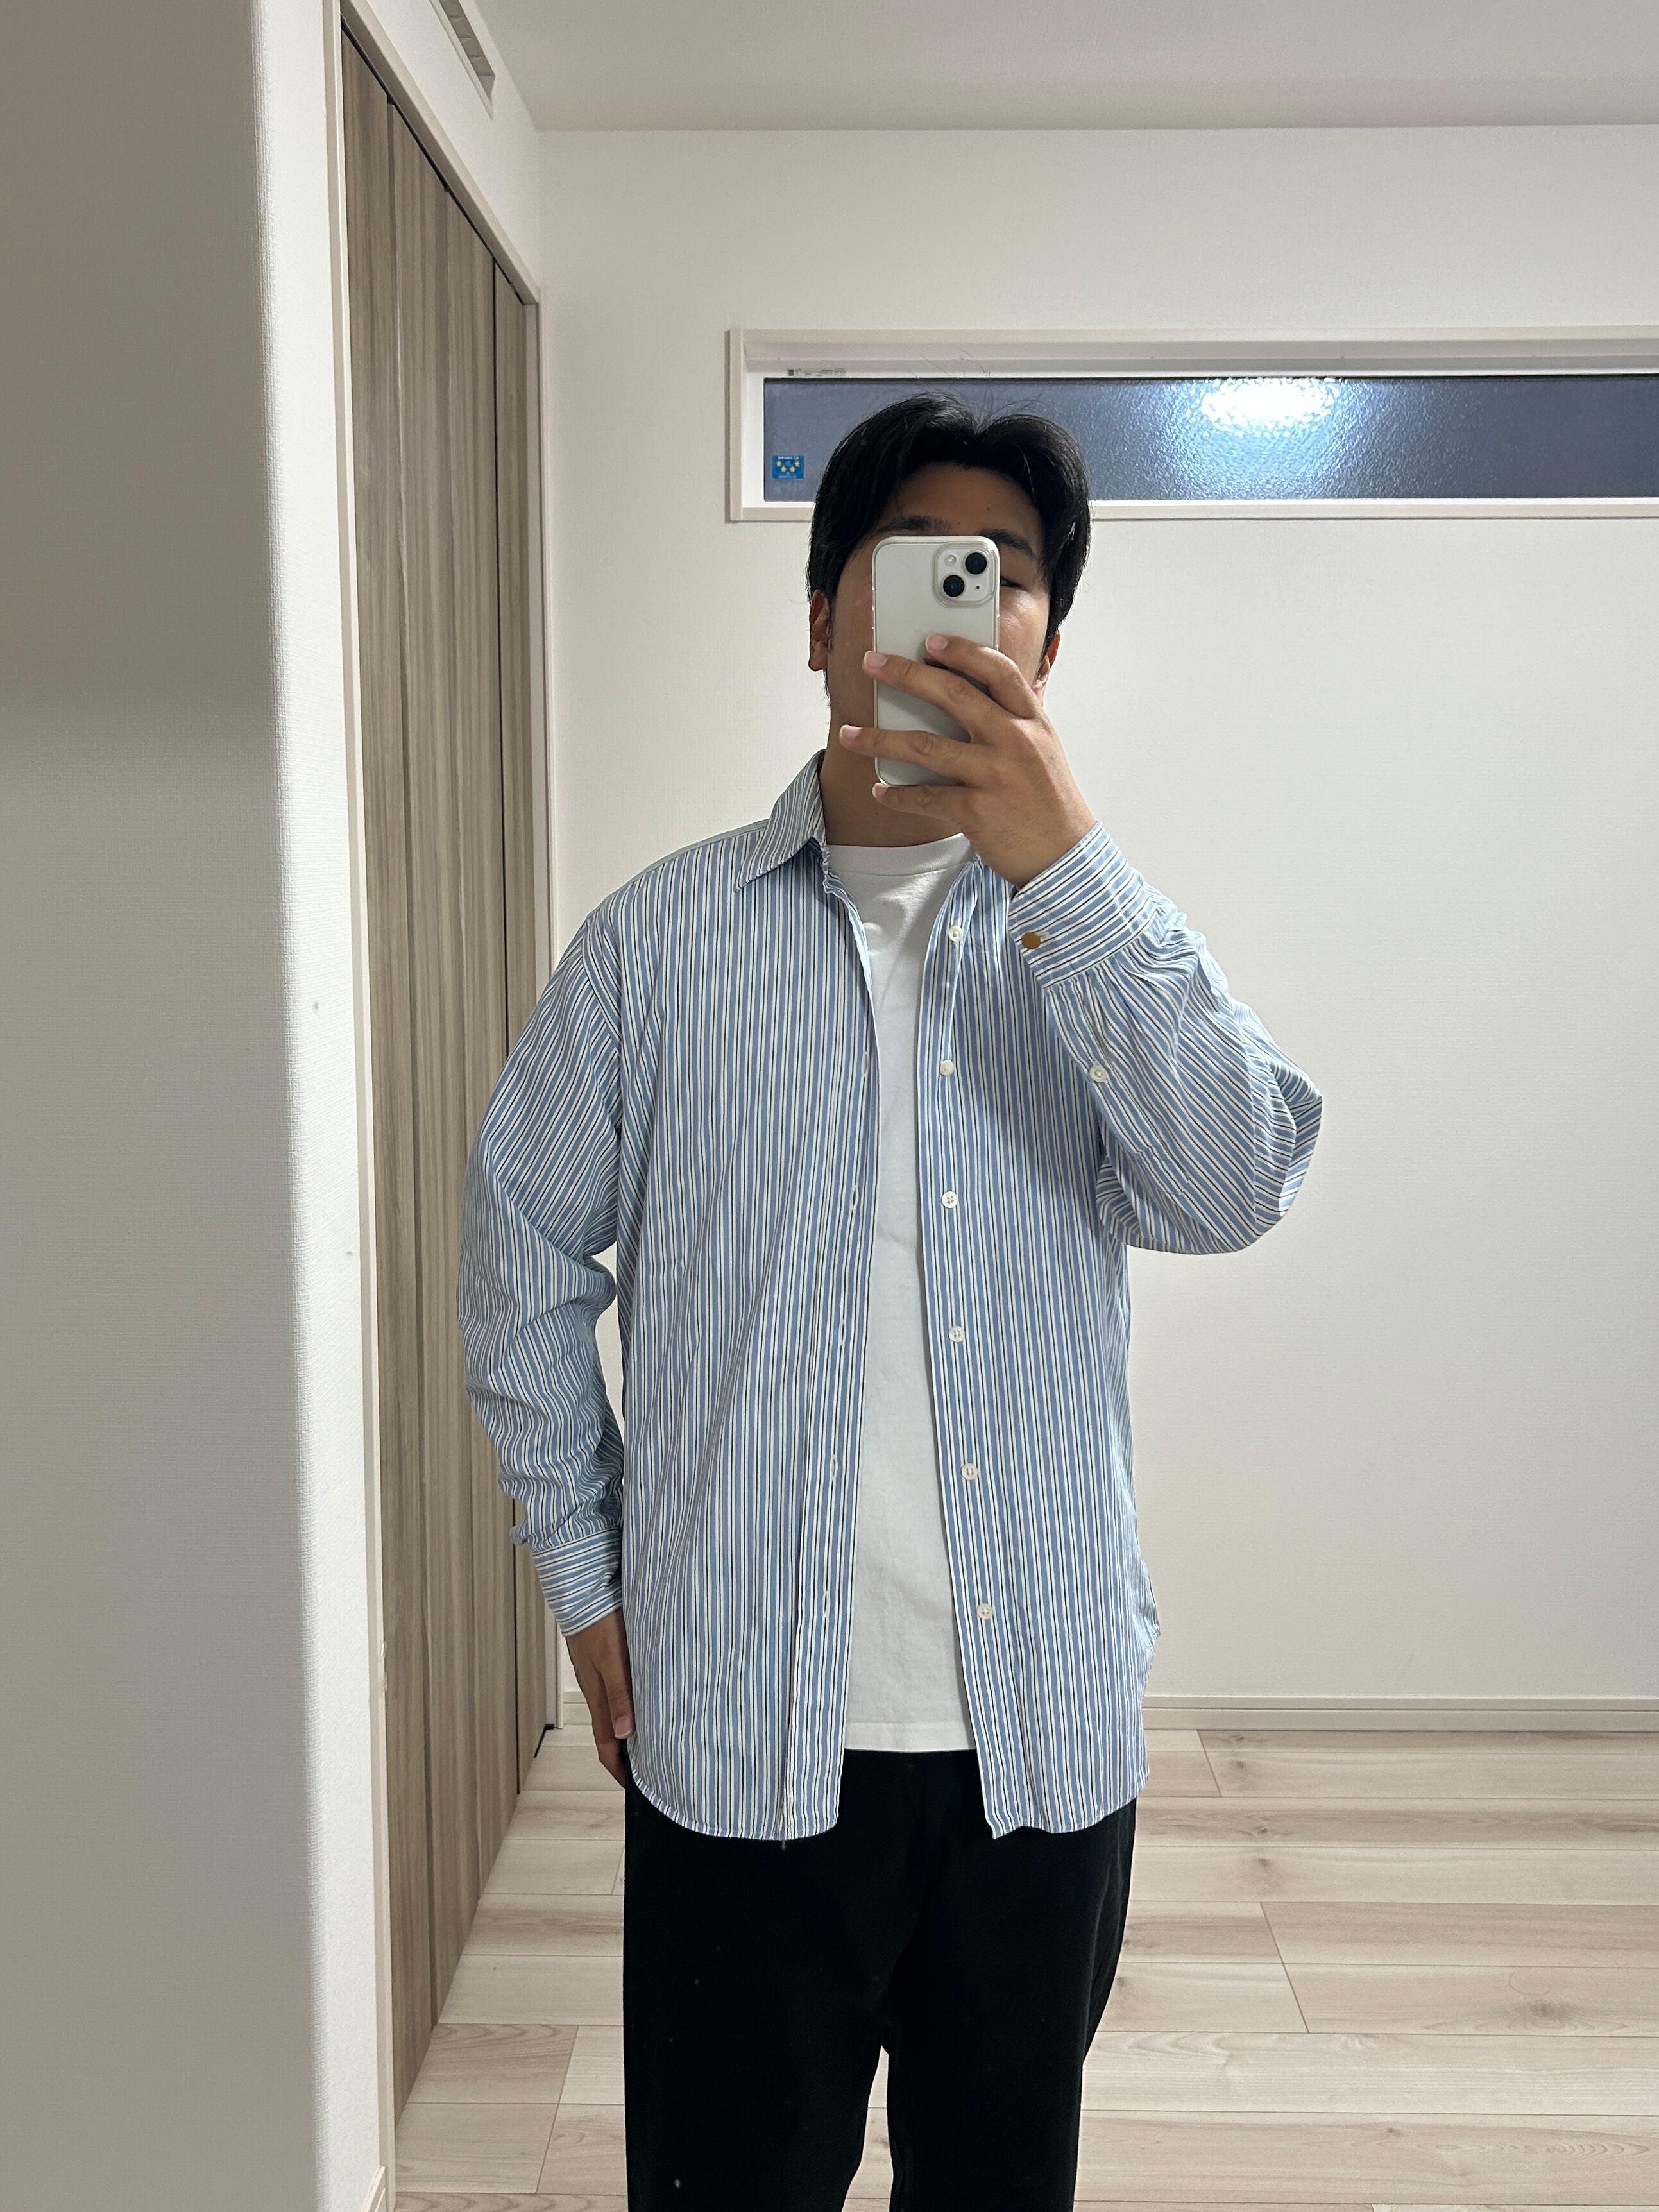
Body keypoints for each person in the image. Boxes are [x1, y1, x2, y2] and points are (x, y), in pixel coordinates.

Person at [456, 393, 1322, 2211]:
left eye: (1003, 573)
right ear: (820, 619)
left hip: (1041, 1735)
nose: (962, 597)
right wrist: (587, 1578)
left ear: (1045, 645)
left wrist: (1068, 871)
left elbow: (1236, 1185)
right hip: (740, 1728)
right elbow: (519, 1259)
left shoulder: (1098, 950)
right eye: (918, 559)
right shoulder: (657, 944)